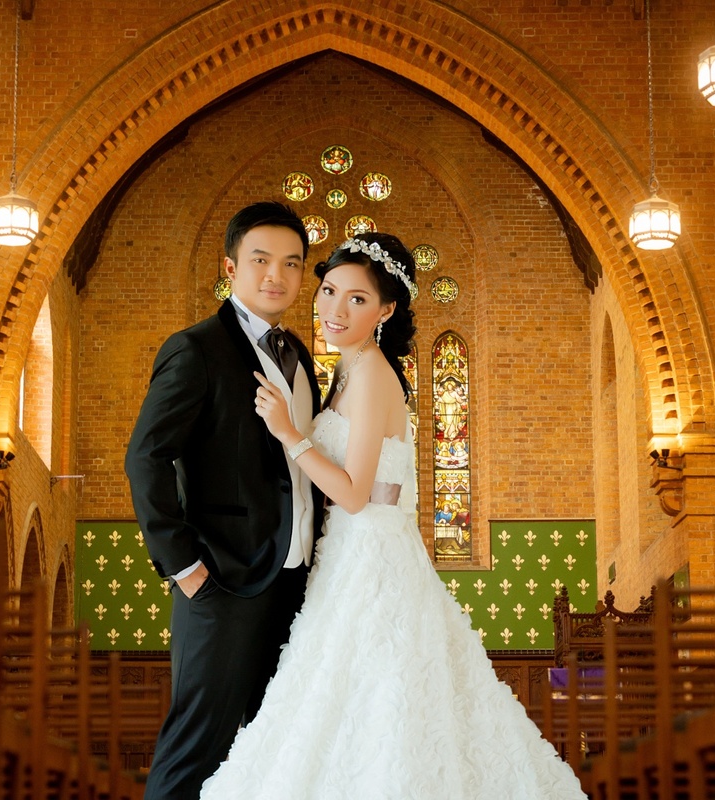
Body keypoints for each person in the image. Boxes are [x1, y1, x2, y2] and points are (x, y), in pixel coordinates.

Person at [200, 233, 584, 798]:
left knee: (379, 706)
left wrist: (287, 434)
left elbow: (355, 494)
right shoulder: (349, 370)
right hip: (349, 554)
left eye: (356, 300)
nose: (334, 309)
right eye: (329, 291)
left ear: (386, 310)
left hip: (373, 558)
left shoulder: (374, 372)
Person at [125, 201, 321, 800]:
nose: (276, 276)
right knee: (196, 750)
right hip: (222, 582)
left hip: (297, 586)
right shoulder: (197, 349)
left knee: (271, 751)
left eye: (291, 264)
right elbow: (146, 456)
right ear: (230, 267)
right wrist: (185, 567)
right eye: (261, 260)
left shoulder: (301, 358)